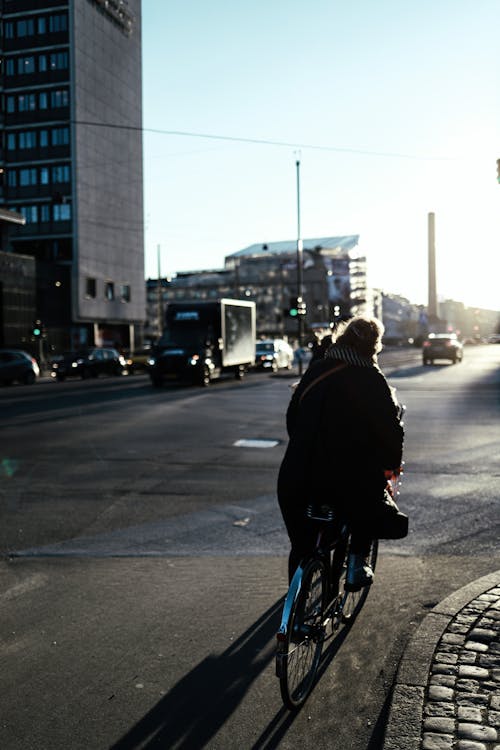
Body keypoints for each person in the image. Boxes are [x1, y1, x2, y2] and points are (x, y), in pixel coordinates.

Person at [277, 316, 404, 588]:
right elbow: (391, 432)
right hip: (346, 480)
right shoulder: (372, 378)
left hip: (297, 474)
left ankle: (295, 617)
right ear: (374, 347)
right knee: (371, 500)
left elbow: (293, 417)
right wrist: (391, 466)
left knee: (302, 545)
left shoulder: (317, 369)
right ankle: (358, 562)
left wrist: (305, 446)